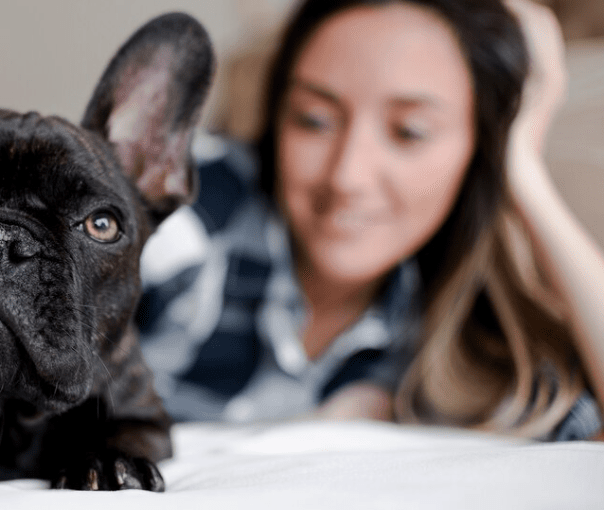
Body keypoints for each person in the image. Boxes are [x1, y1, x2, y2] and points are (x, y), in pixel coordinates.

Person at [136, 0, 604, 440]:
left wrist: (522, 168)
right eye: (313, 120)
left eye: (408, 132)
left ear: (480, 148)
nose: (347, 177)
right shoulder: (177, 215)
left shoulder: (451, 327)